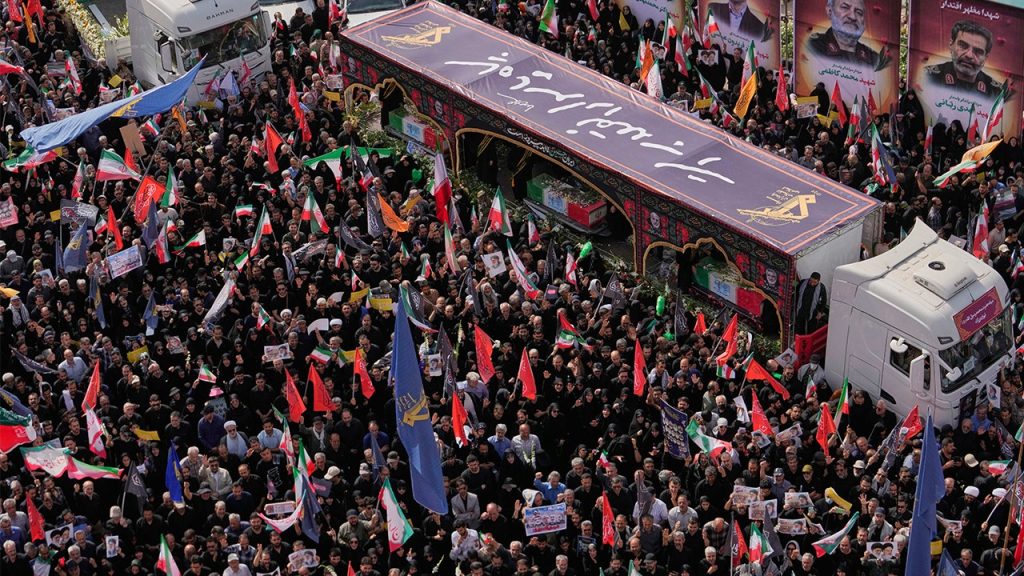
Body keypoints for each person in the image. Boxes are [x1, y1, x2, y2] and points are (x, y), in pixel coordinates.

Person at [925, 20, 1002, 96]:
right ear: (951, 44)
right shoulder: (927, 76)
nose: (969, 55)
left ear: (986, 57)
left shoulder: (997, 92)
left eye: (978, 51)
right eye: (963, 46)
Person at [807, 0, 879, 66]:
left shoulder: (875, 59)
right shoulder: (811, 46)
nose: (853, 17)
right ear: (830, 11)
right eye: (845, 7)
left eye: (859, 12)